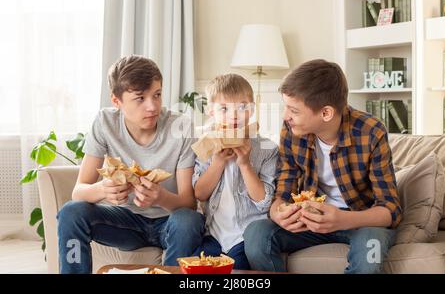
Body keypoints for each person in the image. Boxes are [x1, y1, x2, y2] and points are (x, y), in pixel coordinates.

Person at [243, 59, 402, 274]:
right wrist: (277, 212)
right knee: (256, 234)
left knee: (370, 253)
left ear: (326, 113)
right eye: (285, 107)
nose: (285, 116)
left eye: (294, 110)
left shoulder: (371, 132)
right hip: (309, 219)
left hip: (359, 221)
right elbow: (283, 191)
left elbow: (390, 210)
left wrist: (342, 220)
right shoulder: (291, 130)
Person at [57, 55, 204, 273]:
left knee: (188, 220)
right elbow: (79, 192)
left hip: (170, 222)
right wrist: (103, 190)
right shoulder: (105, 123)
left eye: (157, 95)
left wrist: (160, 197)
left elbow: (189, 203)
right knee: (71, 212)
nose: (152, 106)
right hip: (124, 221)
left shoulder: (181, 126)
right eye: (140, 98)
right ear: (117, 101)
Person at [192, 74, 279, 270]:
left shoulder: (268, 149)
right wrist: (218, 161)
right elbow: (200, 193)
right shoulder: (206, 146)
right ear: (211, 111)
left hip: (244, 236)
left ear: (252, 109)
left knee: (236, 269)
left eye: (242, 107)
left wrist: (245, 164)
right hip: (214, 235)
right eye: (224, 109)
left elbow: (264, 202)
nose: (234, 115)